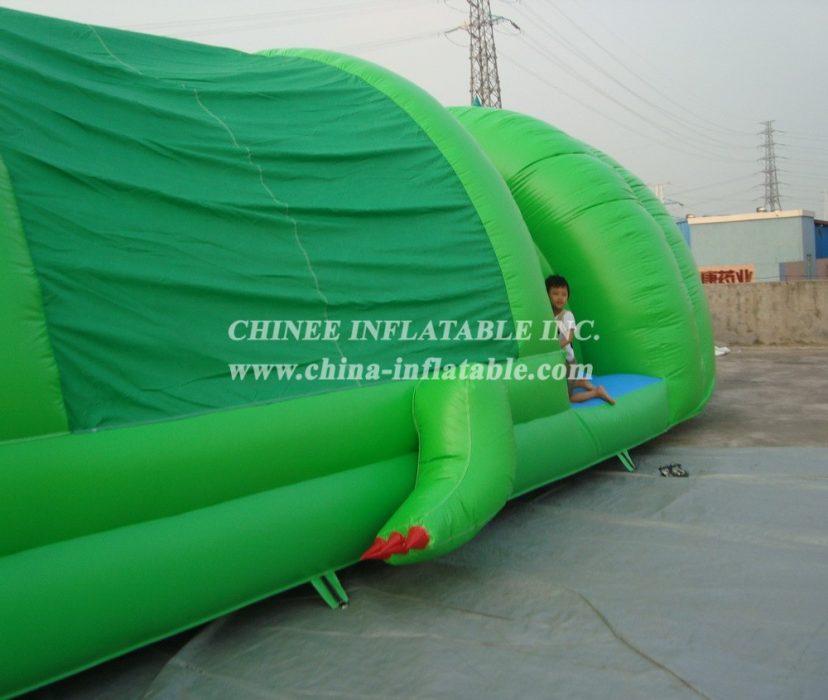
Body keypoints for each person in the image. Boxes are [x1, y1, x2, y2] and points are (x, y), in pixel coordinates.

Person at [545, 274, 615, 405]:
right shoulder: (548, 315)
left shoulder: (567, 315)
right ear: (547, 295)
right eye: (555, 293)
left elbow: (569, 337)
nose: (560, 297)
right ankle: (581, 382)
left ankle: (597, 392)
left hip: (569, 363)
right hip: (559, 362)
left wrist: (554, 346)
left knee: (568, 398)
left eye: (564, 294)